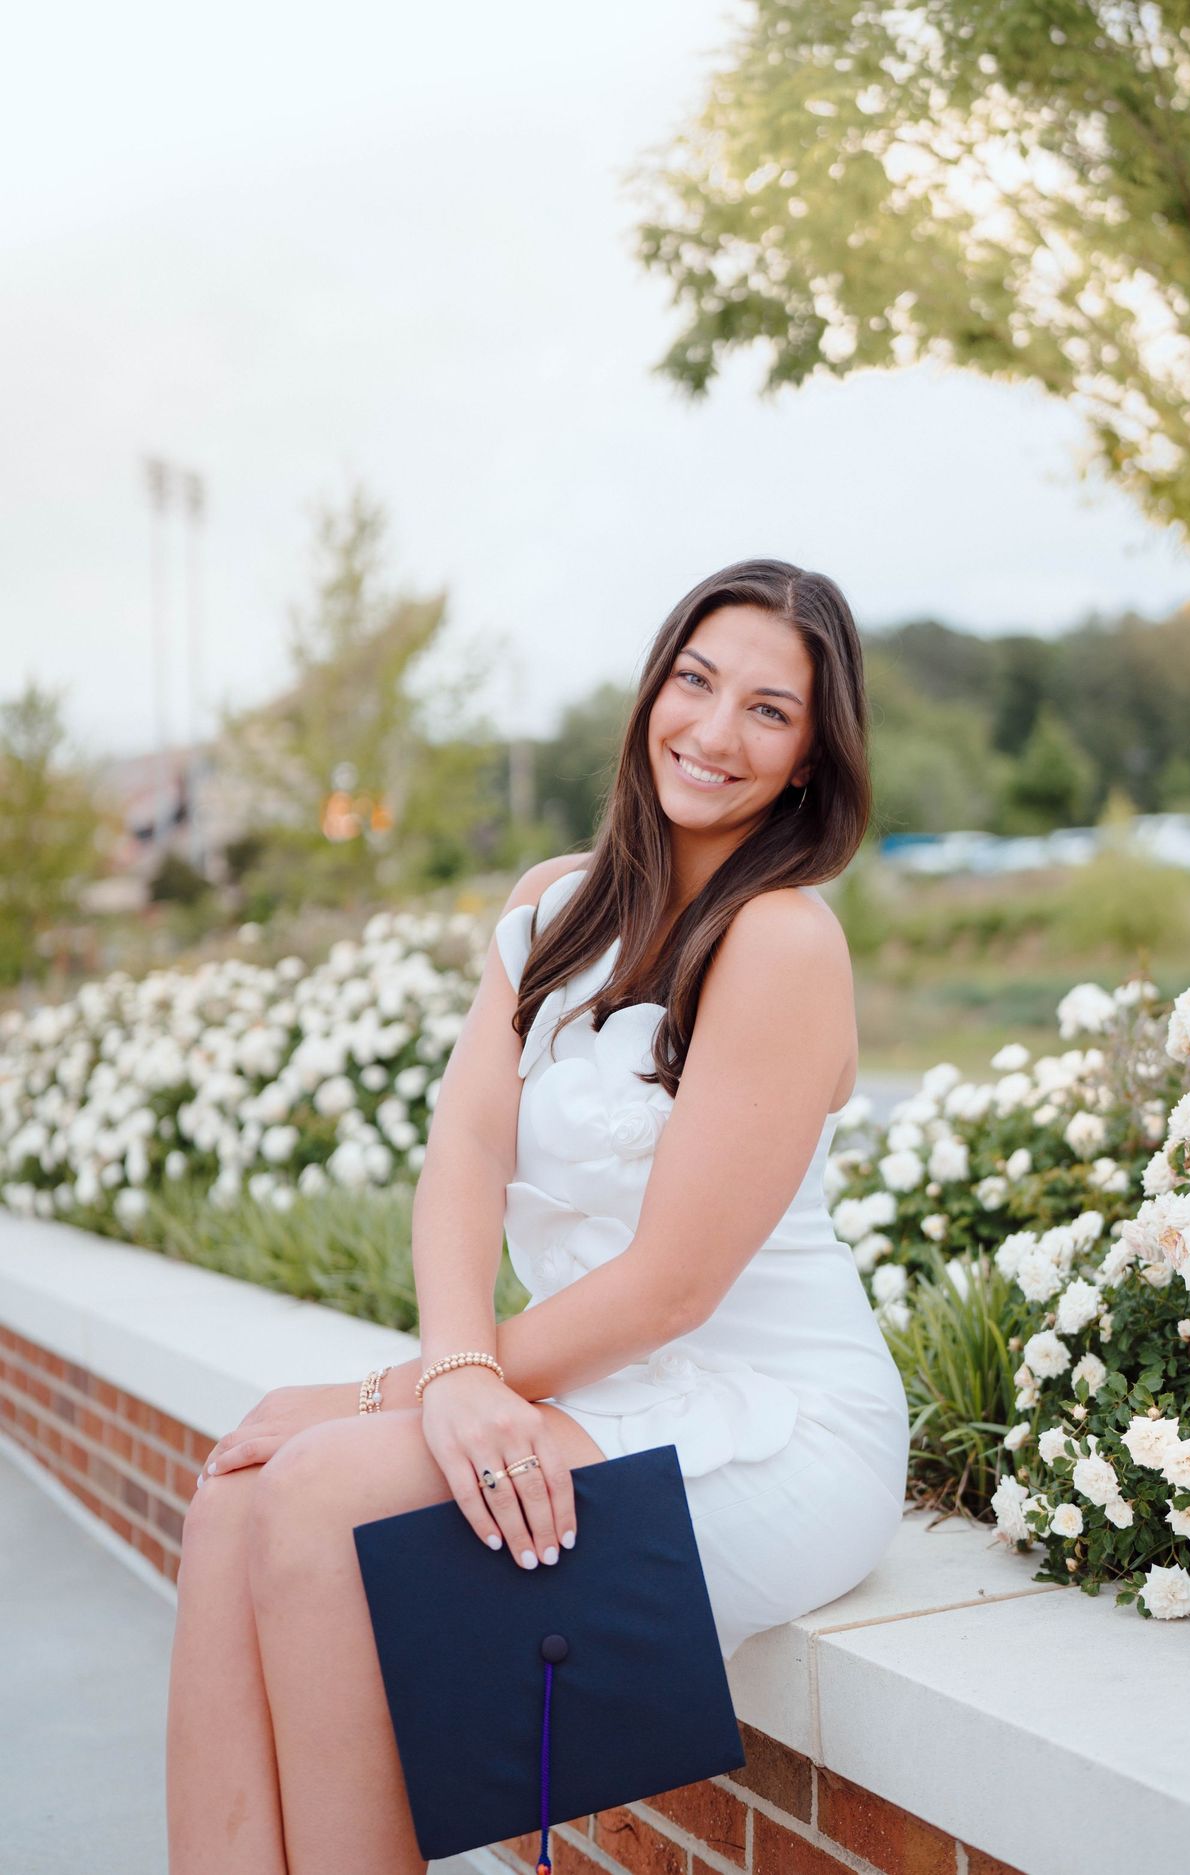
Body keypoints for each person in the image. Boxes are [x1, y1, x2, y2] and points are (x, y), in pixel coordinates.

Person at [165, 558, 912, 1872]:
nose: (713, 731)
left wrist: (384, 1397)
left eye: (767, 711)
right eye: (695, 683)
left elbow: (673, 1292)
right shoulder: (549, 904)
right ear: (650, 693)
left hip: (768, 1417)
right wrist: (446, 1376)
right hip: (582, 1387)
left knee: (319, 1492)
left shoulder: (783, 940)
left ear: (809, 759)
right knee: (235, 1502)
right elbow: (463, 1148)